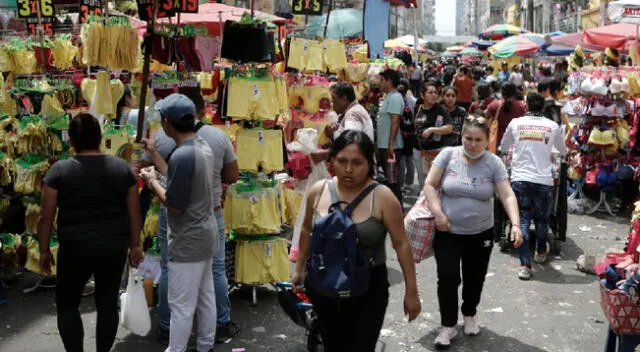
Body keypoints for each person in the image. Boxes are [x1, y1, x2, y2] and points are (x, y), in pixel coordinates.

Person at [292, 130, 421, 351]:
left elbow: (401, 244)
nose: (348, 169)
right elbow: (306, 230)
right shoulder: (318, 191)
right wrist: (300, 268)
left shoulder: (383, 197)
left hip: (368, 289)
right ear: (332, 159)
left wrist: (412, 292)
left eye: (357, 163)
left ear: (368, 163)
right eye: (342, 161)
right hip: (325, 286)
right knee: (332, 344)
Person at [38, 113, 144, 352]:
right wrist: (135, 244)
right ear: (100, 137)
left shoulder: (59, 171)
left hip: (75, 247)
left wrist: (44, 250)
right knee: (107, 302)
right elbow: (134, 213)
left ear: (71, 140)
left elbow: (46, 217)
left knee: (67, 304)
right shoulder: (121, 169)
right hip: (113, 246)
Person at [142, 90, 240, 345]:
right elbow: (178, 177)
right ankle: (205, 344)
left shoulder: (184, 154)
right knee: (205, 295)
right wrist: (155, 156)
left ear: (166, 123)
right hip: (206, 232)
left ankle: (176, 349)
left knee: (181, 305)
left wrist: (152, 182)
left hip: (188, 239)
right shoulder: (200, 146)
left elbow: (174, 204)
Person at [423, 114, 523, 349]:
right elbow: (429, 184)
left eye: (478, 140)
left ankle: (469, 313)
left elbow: (507, 194)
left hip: (480, 234)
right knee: (447, 278)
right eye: (468, 138)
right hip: (447, 230)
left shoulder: (493, 163)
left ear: (487, 140)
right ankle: (448, 325)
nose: (472, 144)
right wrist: (438, 213)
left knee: (474, 277)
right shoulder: (448, 155)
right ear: (461, 136)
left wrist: (516, 225)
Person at [500, 92, 567, 280]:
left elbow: (504, 147)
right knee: (542, 220)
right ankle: (540, 252)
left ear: (527, 106)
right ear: (544, 108)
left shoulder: (516, 123)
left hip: (520, 180)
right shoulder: (553, 126)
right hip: (543, 182)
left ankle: (525, 266)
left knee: (522, 220)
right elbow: (562, 151)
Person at [311, 82, 374, 164]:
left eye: (334, 100)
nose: (331, 104)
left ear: (344, 99)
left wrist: (325, 153)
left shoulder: (352, 114)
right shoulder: (355, 110)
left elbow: (351, 143)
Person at [413, 82, 453, 191]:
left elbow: (449, 128)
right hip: (419, 150)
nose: (434, 95)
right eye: (430, 92)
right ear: (422, 95)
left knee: (435, 181)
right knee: (422, 180)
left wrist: (432, 129)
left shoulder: (441, 109)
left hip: (436, 150)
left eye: (435, 92)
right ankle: (422, 202)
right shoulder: (417, 108)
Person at [376, 69, 405, 202]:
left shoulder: (395, 97)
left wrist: (390, 144)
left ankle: (397, 209)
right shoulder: (388, 96)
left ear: (389, 81)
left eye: (382, 80)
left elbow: (395, 121)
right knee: (388, 180)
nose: (380, 83)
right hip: (384, 145)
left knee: (392, 181)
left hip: (391, 147)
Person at [485, 82, 526, 148]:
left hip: (496, 141)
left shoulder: (494, 105)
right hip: (514, 143)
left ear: (501, 92)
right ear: (514, 92)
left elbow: (485, 118)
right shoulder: (521, 106)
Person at [398, 78, 417, 190]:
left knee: (402, 159)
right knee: (409, 158)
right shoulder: (413, 101)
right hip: (410, 133)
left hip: (400, 133)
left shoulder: (395, 99)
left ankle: (401, 183)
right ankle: (409, 182)